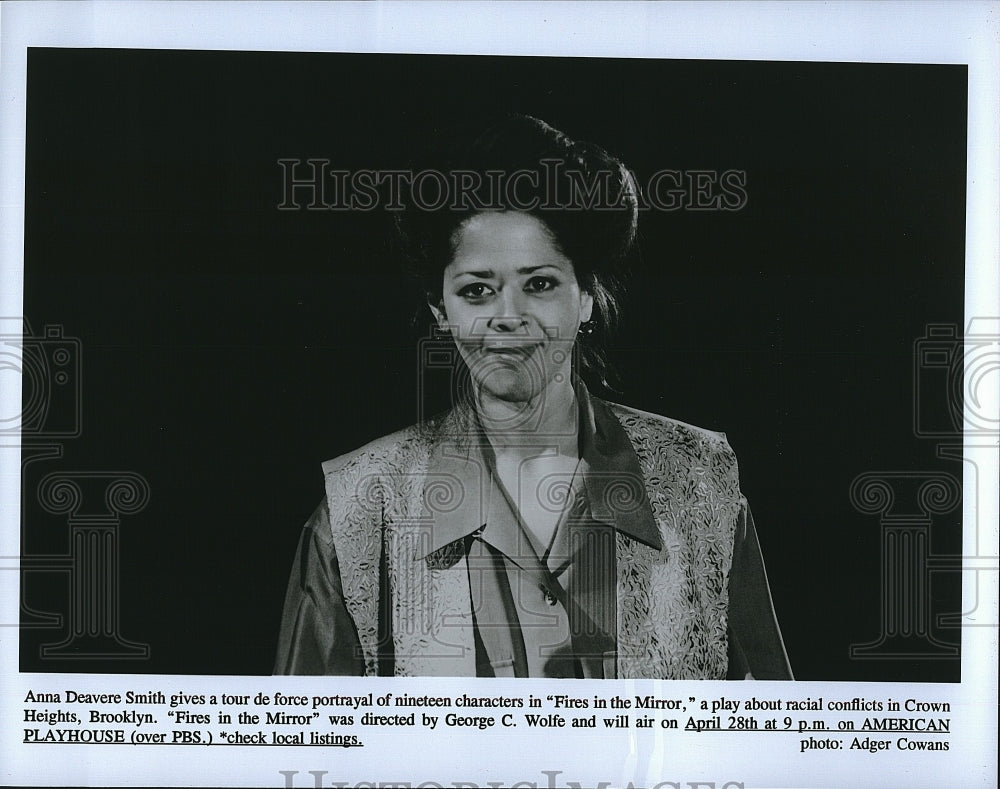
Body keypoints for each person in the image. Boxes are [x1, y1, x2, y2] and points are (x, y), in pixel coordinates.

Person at [274, 114, 792, 679]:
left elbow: (769, 739)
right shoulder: (360, 506)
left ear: (587, 297)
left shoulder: (699, 483)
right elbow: (309, 747)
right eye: (477, 291)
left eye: (539, 284)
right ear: (440, 312)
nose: (508, 318)